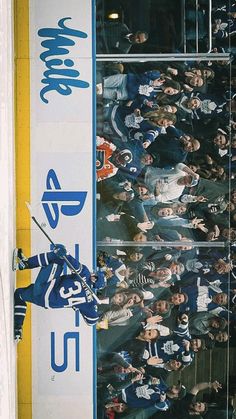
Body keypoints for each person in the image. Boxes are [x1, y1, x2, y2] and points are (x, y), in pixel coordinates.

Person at [12, 245, 105, 341]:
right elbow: (92, 321)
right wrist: (96, 308)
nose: (92, 273)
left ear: (94, 278)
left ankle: (23, 263)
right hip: (47, 302)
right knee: (19, 294)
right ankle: (18, 329)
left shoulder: (85, 274)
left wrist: (66, 254)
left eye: (94, 274)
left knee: (57, 258)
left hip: (46, 289)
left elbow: (71, 263)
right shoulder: (89, 303)